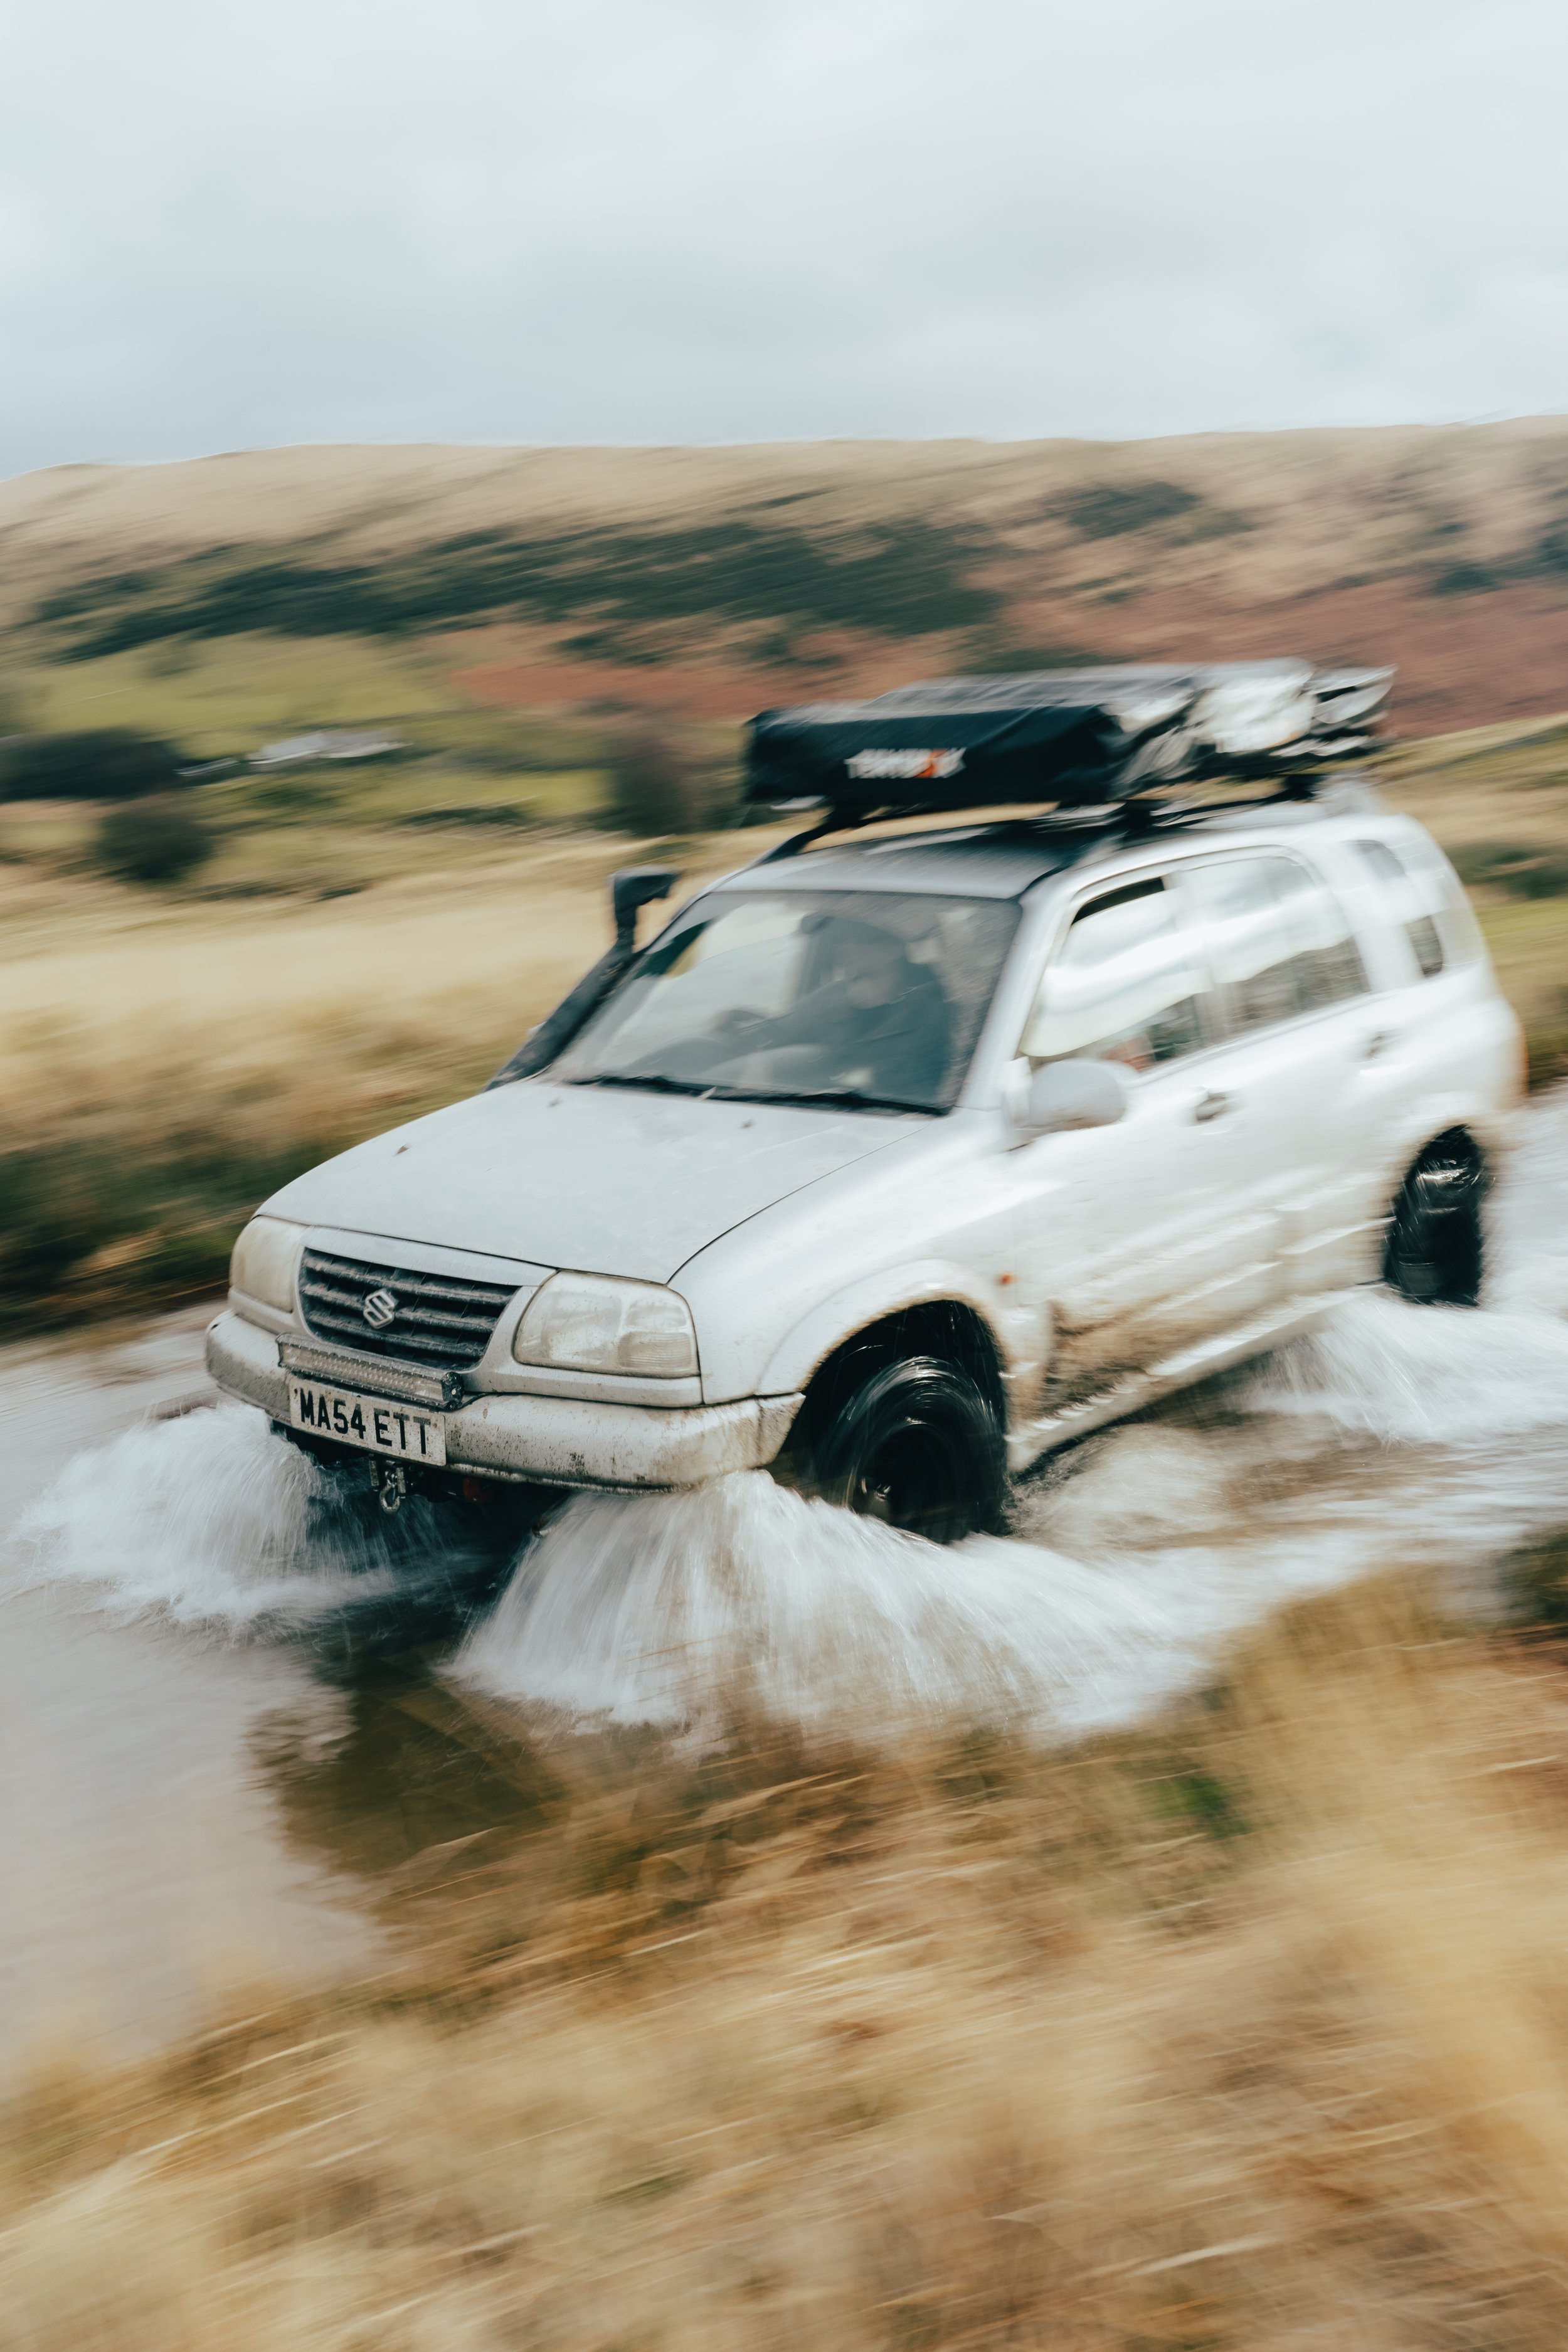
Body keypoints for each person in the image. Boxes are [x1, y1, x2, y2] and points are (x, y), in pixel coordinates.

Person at [706, 914, 953, 1104]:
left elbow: (943, 1084)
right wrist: (737, 1020)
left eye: (861, 940)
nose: (847, 948)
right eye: (844, 940)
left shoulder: (934, 1008)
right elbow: (781, 1036)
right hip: (818, 1111)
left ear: (894, 949)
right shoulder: (827, 1000)